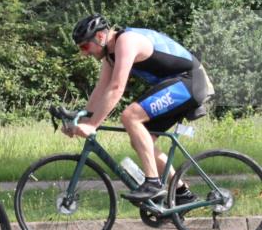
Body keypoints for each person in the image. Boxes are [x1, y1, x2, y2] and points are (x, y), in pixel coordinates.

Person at [69, 14, 213, 204]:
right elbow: (101, 88)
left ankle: (153, 183)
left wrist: (93, 124)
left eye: (85, 47)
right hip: (178, 84)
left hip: (190, 82)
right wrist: (82, 120)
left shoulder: (126, 42)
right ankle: (182, 194)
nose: (84, 53)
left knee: (130, 116)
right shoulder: (110, 56)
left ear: (100, 36)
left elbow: (116, 88)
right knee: (142, 141)